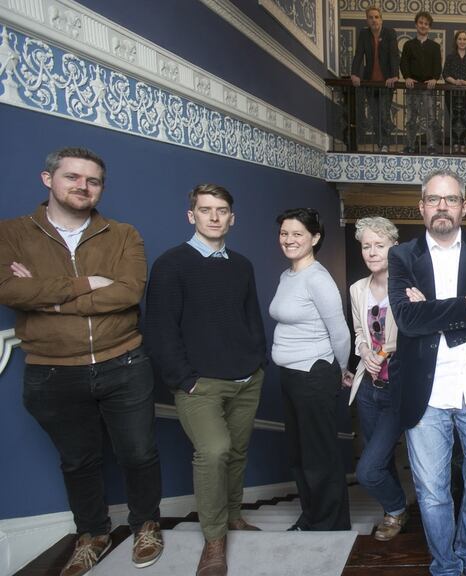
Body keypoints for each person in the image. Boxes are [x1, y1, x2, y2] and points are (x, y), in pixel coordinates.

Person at [0, 147, 163, 576]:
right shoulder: (12, 233)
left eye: (92, 181)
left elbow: (127, 293)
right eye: (72, 177)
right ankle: (92, 534)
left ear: (101, 188)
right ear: (47, 179)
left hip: (123, 362)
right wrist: (87, 283)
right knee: (77, 460)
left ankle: (147, 523)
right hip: (51, 370)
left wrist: (48, 299)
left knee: (139, 453)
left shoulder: (124, 234)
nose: (82, 187)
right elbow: (9, 291)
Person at [388, 168, 466, 576]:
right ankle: (445, 564)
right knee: (431, 492)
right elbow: (407, 319)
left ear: (464, 206)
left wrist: (435, 312)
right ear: (421, 207)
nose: (443, 207)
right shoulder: (402, 256)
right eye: (434, 199)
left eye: (451, 199)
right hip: (428, 395)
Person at [146, 184, 266, 576]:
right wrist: (185, 379)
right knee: (213, 452)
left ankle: (233, 516)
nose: (214, 216)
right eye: (205, 209)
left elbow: (251, 318)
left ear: (232, 217)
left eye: (222, 210)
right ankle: (214, 541)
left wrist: (257, 361)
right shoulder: (171, 263)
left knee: (237, 452)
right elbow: (160, 330)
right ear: (191, 216)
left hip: (247, 378)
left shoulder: (242, 265)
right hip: (200, 384)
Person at [268, 208, 352, 532]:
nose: (288, 240)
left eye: (297, 234)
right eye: (284, 233)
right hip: (290, 376)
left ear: (314, 238)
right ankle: (311, 516)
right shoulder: (287, 275)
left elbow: (340, 332)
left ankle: (330, 525)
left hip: (314, 374)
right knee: (300, 456)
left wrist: (341, 369)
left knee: (320, 458)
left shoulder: (318, 278)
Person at [346, 216, 409, 541]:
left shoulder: (409, 287)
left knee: (368, 470)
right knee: (379, 462)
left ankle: (398, 507)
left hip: (400, 390)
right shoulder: (358, 289)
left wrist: (382, 352)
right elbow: (359, 332)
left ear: (393, 248)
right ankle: (394, 513)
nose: (371, 252)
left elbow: (414, 333)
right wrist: (364, 352)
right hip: (370, 390)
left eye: (378, 245)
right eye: (366, 246)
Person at [351, 5, 401, 152]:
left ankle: (385, 144)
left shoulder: (389, 33)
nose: (374, 20)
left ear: (381, 19)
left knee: (384, 114)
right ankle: (380, 143)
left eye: (376, 17)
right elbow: (359, 55)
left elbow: (394, 55)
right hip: (370, 82)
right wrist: (354, 73)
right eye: (371, 17)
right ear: (367, 20)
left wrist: (394, 75)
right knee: (375, 114)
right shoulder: (364, 34)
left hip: (386, 82)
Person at [400, 11, 442, 154]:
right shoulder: (408, 45)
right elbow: (403, 63)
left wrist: (435, 78)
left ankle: (431, 146)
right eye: (421, 23)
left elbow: (437, 65)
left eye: (426, 24)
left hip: (428, 87)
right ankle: (410, 146)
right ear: (416, 24)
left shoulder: (435, 47)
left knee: (431, 118)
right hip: (413, 86)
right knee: (411, 118)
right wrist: (406, 77)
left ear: (429, 27)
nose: (423, 26)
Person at [442, 30, 466, 154]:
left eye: (464, 39)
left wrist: (465, 83)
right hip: (452, 93)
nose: (462, 41)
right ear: (456, 41)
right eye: (460, 39)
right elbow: (445, 74)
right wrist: (455, 81)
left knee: (465, 118)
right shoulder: (450, 57)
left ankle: (463, 144)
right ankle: (454, 144)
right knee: (454, 118)